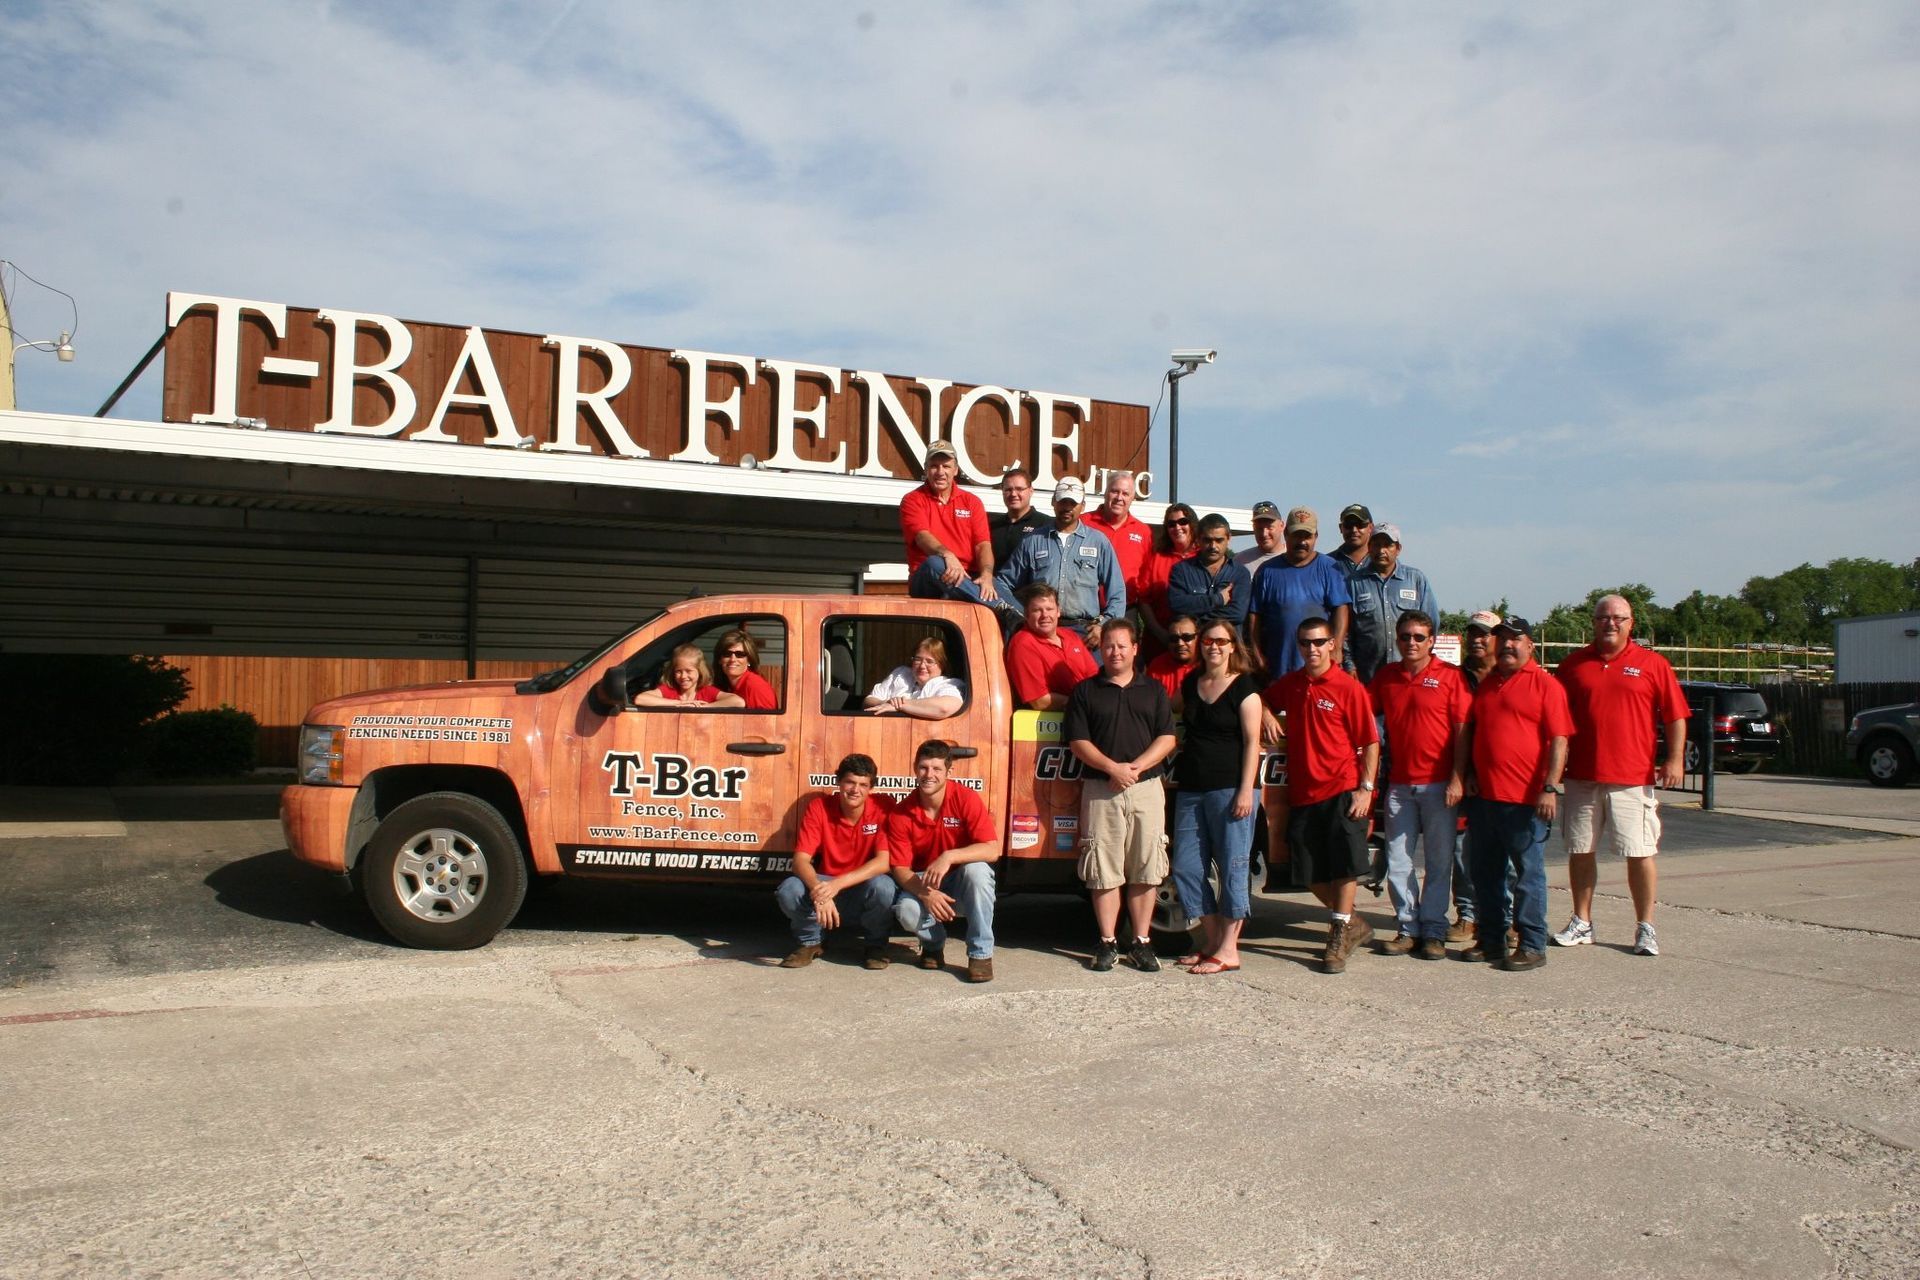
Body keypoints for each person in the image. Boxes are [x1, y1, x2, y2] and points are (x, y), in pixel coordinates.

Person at [1552, 594, 1689, 957]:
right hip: (1582, 775)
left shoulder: (1652, 664)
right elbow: (1555, 721)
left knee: (1640, 853)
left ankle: (1646, 927)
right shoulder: (1573, 665)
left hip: (1631, 776)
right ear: (1593, 622)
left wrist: (1674, 759)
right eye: (1602, 617)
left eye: (1618, 618)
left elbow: (1675, 716)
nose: (1609, 623)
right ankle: (1582, 921)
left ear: (1631, 623)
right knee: (1581, 850)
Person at [1261, 616, 1380, 974]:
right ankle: (1352, 921)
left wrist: (1366, 789)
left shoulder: (1348, 688)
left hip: (1342, 789)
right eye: (1304, 643)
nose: (1311, 649)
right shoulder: (1293, 684)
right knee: (1306, 872)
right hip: (1304, 791)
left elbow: (1370, 742)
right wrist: (1267, 713)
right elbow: (1261, 699)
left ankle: (1339, 933)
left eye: (1318, 642)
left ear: (1332, 644)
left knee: (1343, 866)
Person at [1459, 616, 1572, 971]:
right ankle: (1492, 939)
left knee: (1527, 877)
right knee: (1485, 874)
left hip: (1525, 802)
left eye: (1515, 639)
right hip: (1486, 799)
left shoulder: (1545, 685)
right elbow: (1476, 734)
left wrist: (1550, 787)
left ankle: (1532, 944)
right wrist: (1472, 774)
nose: (1508, 645)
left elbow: (1559, 740)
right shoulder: (1489, 684)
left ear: (1530, 646)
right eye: (1503, 639)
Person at [1066, 617, 1178, 973]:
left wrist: (1135, 768)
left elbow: (1167, 738)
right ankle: (1107, 942)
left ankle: (1142, 942)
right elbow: (1078, 742)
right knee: (1103, 870)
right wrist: (1113, 768)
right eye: (1108, 646)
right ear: (1101, 650)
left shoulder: (1155, 691)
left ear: (1134, 649)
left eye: (1121, 645)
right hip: (1101, 789)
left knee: (1146, 868)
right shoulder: (1085, 691)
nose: (1114, 651)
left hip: (1146, 788)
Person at [1368, 610, 1471, 960]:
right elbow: (1366, 720)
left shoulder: (1451, 677)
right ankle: (1408, 927)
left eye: (1418, 637)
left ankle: (1434, 930)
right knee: (1398, 860)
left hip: (1440, 785)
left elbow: (1462, 732)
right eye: (1404, 636)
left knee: (1440, 862)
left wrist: (1458, 778)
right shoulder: (1387, 677)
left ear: (1431, 641)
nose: (1410, 643)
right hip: (1399, 786)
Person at [1170, 621, 1262, 974]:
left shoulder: (1245, 687)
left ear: (1233, 646)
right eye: (1208, 640)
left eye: (1222, 641)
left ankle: (1228, 949)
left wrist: (1245, 790)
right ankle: (1210, 941)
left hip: (1231, 789)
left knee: (1233, 867)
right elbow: (1169, 709)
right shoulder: (1192, 683)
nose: (1214, 647)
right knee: (1187, 867)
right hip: (1192, 787)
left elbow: (1253, 742)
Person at [773, 754, 899, 969]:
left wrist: (835, 885)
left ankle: (875, 946)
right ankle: (811, 943)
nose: (855, 790)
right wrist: (820, 892)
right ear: (839, 782)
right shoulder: (819, 807)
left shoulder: (883, 806)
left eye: (863, 785)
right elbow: (800, 861)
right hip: (825, 883)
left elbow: (884, 862)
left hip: (856, 886)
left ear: (871, 788)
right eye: (850, 782)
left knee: (884, 887)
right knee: (789, 889)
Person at [888, 739, 1000, 981]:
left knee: (978, 871)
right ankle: (933, 946)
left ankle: (981, 955)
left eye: (937, 769)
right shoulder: (901, 812)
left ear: (949, 772)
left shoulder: (966, 799)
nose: (929, 775)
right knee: (906, 910)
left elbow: (992, 850)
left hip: (960, 883)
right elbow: (899, 869)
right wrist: (926, 894)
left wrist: (950, 856)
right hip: (924, 881)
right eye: (923, 768)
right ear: (914, 768)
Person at [994, 477, 1126, 645]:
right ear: (1053, 502)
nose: (1067, 508)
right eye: (1063, 501)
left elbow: (1118, 592)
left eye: (1073, 503)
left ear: (1083, 506)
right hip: (1041, 632)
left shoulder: (1098, 542)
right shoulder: (1033, 541)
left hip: (1085, 633)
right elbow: (1002, 583)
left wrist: (1104, 625)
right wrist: (1019, 613)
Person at [1445, 610, 1503, 944]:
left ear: (1498, 639)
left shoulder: (1507, 674)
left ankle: (1501, 917)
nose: (1478, 639)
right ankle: (1467, 915)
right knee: (1462, 851)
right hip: (1463, 777)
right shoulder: (1455, 677)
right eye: (1473, 633)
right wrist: (1462, 773)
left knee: (1504, 852)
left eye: (1485, 633)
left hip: (1502, 778)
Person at [1247, 507, 1352, 678]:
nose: (1302, 541)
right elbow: (1254, 616)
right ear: (1286, 534)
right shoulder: (1267, 570)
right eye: (1297, 535)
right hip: (1278, 665)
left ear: (1316, 537)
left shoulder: (1329, 568)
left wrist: (1337, 646)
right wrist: (1257, 653)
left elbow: (1341, 608)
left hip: (1318, 664)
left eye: (1307, 536)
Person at [899, 439, 1004, 611]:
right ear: (926, 469)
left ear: (955, 470)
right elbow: (921, 536)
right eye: (934, 466)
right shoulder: (912, 500)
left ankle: (1013, 617)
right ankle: (997, 607)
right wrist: (946, 554)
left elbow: (982, 545)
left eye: (946, 466)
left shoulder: (972, 502)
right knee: (935, 563)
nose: (940, 472)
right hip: (928, 579)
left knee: (1007, 598)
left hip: (967, 576)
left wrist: (986, 575)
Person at [1346, 523, 1440, 684]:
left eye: (1388, 545)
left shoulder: (1416, 579)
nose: (1381, 551)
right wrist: (1349, 665)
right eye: (1376, 545)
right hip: (1367, 677)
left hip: (1409, 677)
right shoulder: (1354, 582)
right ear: (1369, 547)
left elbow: (1432, 624)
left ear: (1398, 548)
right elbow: (1345, 631)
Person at [1004, 583, 1099, 710]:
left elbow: (1095, 678)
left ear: (1058, 611)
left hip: (1087, 710)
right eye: (1037, 610)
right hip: (1061, 719)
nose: (1045, 615)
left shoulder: (1071, 636)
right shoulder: (1023, 644)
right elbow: (1039, 701)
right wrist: (1084, 704)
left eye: (1049, 609)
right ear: (1026, 615)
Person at [1081, 470, 1153, 608]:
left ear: (1132, 498)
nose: (1119, 497)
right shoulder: (1083, 523)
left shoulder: (1143, 532)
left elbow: (1145, 578)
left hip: (1126, 611)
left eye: (1125, 493)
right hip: (1086, 611)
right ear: (1106, 493)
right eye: (1115, 491)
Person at [1167, 512, 1251, 629]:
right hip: (1193, 645)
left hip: (1227, 645)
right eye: (1207, 540)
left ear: (1229, 539)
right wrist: (1218, 600)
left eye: (1219, 540)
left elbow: (1237, 614)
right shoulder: (1181, 571)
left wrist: (1195, 620)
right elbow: (1177, 605)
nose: (1213, 546)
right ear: (1198, 539)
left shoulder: (1240, 573)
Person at [1137, 502, 1199, 652]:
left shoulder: (1203, 557)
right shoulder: (1156, 558)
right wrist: (1160, 633)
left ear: (1192, 524)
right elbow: (1144, 601)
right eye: (1171, 524)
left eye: (1183, 522)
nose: (1177, 527)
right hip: (1159, 642)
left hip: (1197, 644)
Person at [864, 636, 967, 720]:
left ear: (942, 665)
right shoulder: (901, 674)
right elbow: (868, 701)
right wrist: (887, 703)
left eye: (929, 662)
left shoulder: (949, 684)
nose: (922, 666)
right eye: (918, 659)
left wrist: (900, 706)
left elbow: (944, 708)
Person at [634, 645, 746, 708]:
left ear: (700, 671)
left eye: (689, 671)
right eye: (678, 671)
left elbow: (738, 702)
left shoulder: (706, 691)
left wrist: (702, 708)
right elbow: (641, 699)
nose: (683, 676)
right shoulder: (669, 691)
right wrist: (680, 703)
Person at [989, 466, 1051, 567]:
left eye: (1019, 489)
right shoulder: (992, 526)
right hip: (995, 581)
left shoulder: (1046, 524)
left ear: (1031, 491)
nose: (1013, 494)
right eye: (1008, 490)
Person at [712, 629, 779, 710]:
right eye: (727, 654)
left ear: (749, 660)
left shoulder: (755, 686)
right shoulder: (725, 686)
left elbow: (767, 721)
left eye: (740, 654)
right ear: (720, 659)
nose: (732, 659)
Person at [1145, 616, 1200, 711]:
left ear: (1198, 637)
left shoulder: (1207, 665)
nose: (1180, 643)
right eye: (1174, 638)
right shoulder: (1157, 666)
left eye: (1187, 637)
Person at [1233, 499, 1284, 578]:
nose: (1264, 534)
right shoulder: (1240, 561)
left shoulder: (1294, 557)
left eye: (1270, 527)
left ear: (1281, 526)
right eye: (1259, 528)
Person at [1333, 503, 1375, 572]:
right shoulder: (1327, 563)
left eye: (1360, 525)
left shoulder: (1382, 561)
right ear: (1340, 528)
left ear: (1371, 528)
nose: (1354, 530)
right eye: (1348, 525)